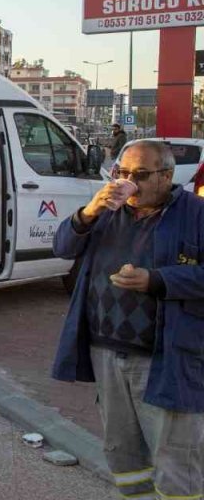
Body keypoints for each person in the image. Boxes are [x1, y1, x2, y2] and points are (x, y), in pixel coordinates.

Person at [52, 140, 204, 500]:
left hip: (166, 358)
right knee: (123, 453)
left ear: (166, 176)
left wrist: (158, 280)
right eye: (121, 172)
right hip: (106, 352)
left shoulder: (196, 214)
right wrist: (88, 212)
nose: (128, 182)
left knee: (176, 458)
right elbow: (62, 247)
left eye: (140, 175)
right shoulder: (107, 210)